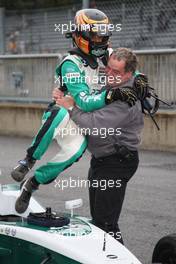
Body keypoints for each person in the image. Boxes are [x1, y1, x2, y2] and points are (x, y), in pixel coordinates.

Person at [12, 9, 139, 214]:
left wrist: (140, 81)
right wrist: (110, 96)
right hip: (64, 114)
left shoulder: (106, 55)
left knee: (75, 152)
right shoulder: (70, 64)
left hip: (81, 120)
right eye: (95, 35)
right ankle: (29, 159)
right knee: (60, 113)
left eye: (103, 34)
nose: (101, 39)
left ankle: (31, 185)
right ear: (81, 35)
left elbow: (129, 71)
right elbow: (85, 103)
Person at [55, 48, 145, 244]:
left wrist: (70, 107)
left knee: (106, 224)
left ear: (129, 74)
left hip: (116, 162)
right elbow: (89, 98)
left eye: (117, 72)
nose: (110, 75)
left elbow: (93, 124)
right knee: (99, 221)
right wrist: (66, 93)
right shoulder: (114, 86)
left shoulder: (126, 98)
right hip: (102, 160)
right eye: (109, 69)